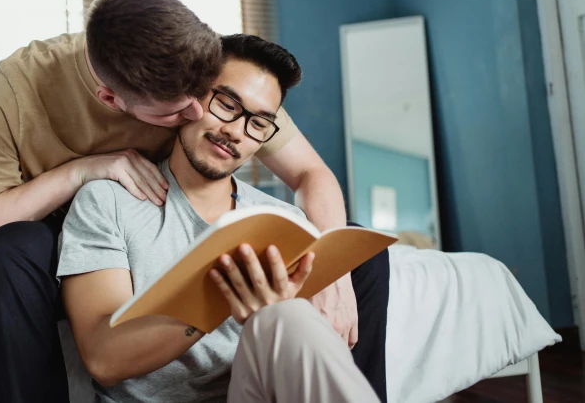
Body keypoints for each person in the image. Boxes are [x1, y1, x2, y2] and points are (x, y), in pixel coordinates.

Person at [0, 0, 387, 402]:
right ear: (112, 100)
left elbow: (310, 171)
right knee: (9, 249)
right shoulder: (20, 89)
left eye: (208, 96)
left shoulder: (216, 81)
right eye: (211, 104)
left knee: (345, 255)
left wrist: (332, 273)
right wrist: (80, 174)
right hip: (72, 234)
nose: (207, 116)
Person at [58, 33, 386, 402]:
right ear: (191, 97)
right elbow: (103, 359)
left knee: (287, 319)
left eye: (258, 124)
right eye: (227, 103)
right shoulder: (108, 202)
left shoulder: (283, 220)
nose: (235, 131)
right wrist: (222, 295)